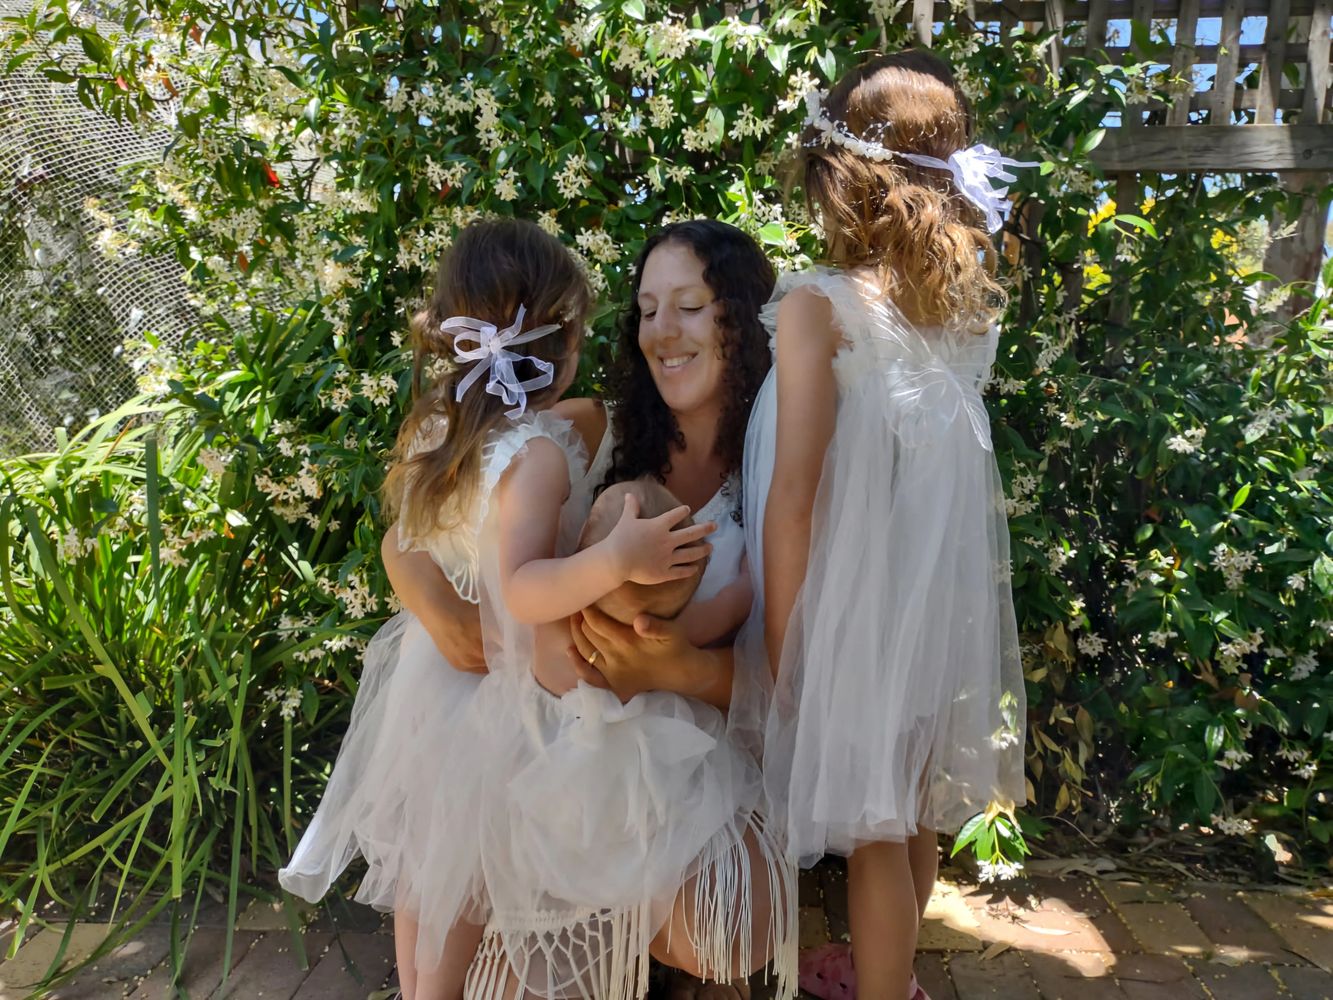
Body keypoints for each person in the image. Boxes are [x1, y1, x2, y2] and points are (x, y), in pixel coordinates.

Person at [747, 50, 1030, 1000]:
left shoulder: (815, 307)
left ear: (838, 176)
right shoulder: (958, 311)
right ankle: (891, 971)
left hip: (844, 608)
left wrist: (786, 642)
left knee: (874, 820)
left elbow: (792, 497)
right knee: (906, 805)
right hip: (928, 611)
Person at [280, 218, 597, 1000]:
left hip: (424, 684)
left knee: (425, 870)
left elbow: (409, 540)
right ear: (562, 344)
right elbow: (522, 584)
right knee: (464, 875)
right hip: (500, 684)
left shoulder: (434, 434)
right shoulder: (537, 454)